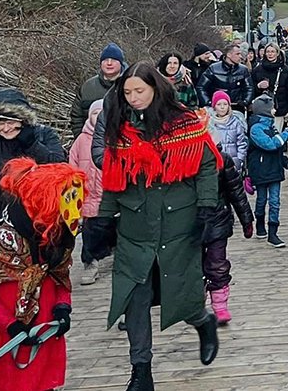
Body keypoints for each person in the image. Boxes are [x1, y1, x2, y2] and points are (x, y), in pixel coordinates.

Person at [97, 62, 221, 390]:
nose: (134, 98)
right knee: (133, 297)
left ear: (155, 87)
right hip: (135, 229)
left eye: (140, 90)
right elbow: (113, 179)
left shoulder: (184, 123)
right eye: (127, 92)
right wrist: (102, 221)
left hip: (179, 225)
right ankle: (141, 370)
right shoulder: (119, 127)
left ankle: (202, 320)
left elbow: (207, 165)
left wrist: (207, 208)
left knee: (179, 294)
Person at [0, 158, 80, 391]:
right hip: (4, 334)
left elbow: (61, 277)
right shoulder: (3, 238)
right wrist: (9, 325)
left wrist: (62, 307)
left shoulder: (58, 238)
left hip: (43, 330)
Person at [0, 88, 67, 241]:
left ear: (23, 119)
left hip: (41, 220)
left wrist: (32, 144)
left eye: (11, 122)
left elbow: (60, 166)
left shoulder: (43, 135)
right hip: (1, 219)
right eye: (0, 123)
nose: (6, 128)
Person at [196, 151, 255, 326]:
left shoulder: (221, 159)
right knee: (193, 266)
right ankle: (196, 305)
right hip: (189, 224)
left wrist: (246, 219)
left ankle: (220, 305)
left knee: (217, 264)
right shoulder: (179, 157)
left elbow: (236, 190)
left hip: (217, 220)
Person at [69, 100, 107, 285]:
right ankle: (90, 263)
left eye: (102, 113)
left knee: (114, 228)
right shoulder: (81, 140)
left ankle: (113, 256)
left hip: (111, 194)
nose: (98, 117)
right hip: (89, 194)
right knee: (91, 231)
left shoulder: (115, 136)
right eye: (94, 113)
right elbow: (72, 164)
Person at [247, 94, 288, 248]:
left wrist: (286, 162)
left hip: (274, 169)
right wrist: (286, 134)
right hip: (261, 170)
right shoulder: (256, 128)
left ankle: (273, 232)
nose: (274, 110)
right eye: (272, 107)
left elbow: (278, 151)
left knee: (275, 201)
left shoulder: (271, 125)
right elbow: (271, 145)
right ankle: (260, 223)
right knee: (261, 200)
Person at [70, 42, 126, 134]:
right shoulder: (88, 87)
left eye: (114, 60)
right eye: (105, 60)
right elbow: (77, 116)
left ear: (121, 63)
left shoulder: (129, 85)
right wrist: (81, 137)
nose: (109, 63)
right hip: (90, 141)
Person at [249, 43, 288, 130]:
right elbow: (251, 89)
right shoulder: (257, 70)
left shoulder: (286, 70)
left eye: (272, 52)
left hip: (279, 109)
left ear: (277, 53)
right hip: (261, 110)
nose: (270, 54)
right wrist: (258, 86)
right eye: (268, 52)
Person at [196, 44, 253, 113]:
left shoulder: (243, 70)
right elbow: (201, 87)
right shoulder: (213, 68)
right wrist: (209, 103)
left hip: (237, 108)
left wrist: (245, 101)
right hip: (217, 108)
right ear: (229, 55)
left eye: (240, 54)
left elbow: (249, 88)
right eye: (237, 54)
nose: (240, 57)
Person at [206, 91, 248, 173]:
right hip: (215, 163)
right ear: (214, 106)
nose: (222, 107)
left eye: (225, 104)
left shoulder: (236, 122)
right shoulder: (209, 123)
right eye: (219, 104)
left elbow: (242, 144)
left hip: (234, 163)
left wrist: (239, 161)